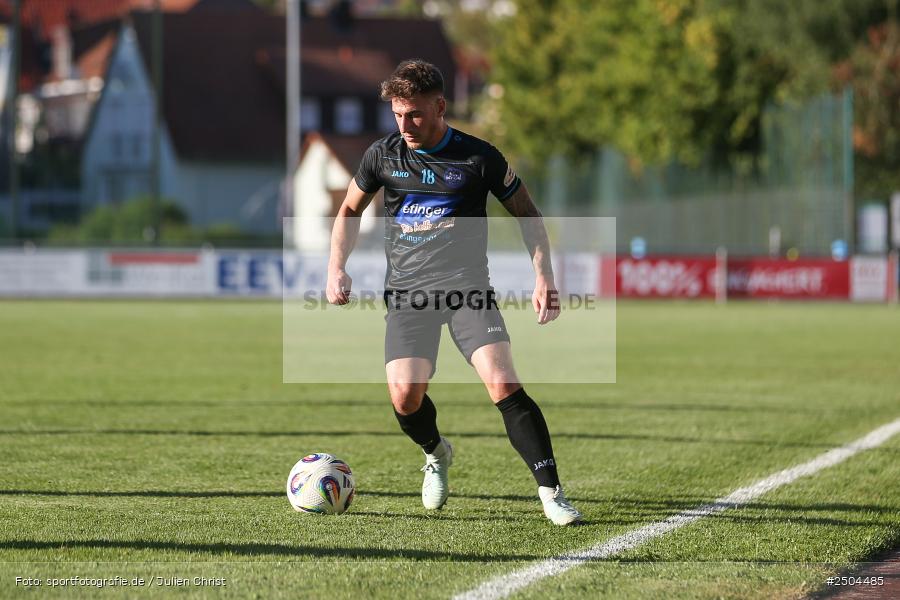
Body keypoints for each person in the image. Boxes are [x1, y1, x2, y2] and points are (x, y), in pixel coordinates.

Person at [325, 59, 581, 525]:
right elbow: (349, 210)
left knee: (502, 382)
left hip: (467, 289)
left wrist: (543, 275)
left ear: (440, 107)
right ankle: (436, 452)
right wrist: (335, 267)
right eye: (397, 115)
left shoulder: (478, 157)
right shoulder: (382, 155)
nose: (404, 125)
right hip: (408, 294)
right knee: (405, 397)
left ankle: (551, 493)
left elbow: (527, 213)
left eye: (415, 114)